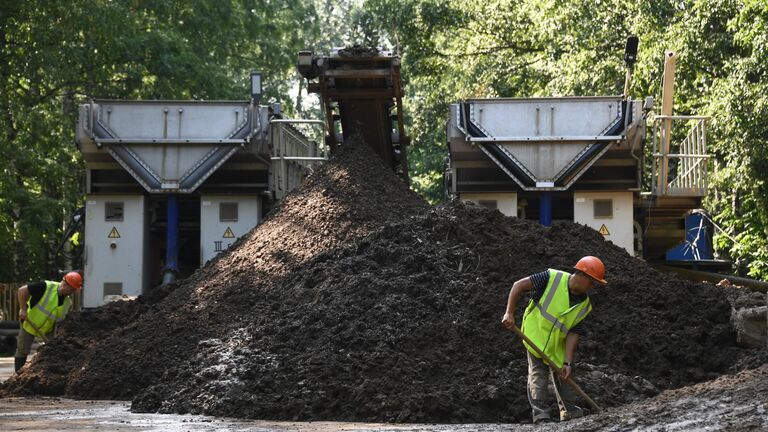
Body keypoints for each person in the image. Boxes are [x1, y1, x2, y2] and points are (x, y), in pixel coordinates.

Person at [501, 256, 607, 424]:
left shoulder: (584, 304)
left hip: (557, 343)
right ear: (581, 275)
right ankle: (541, 415)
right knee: (538, 375)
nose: (593, 288)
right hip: (534, 335)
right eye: (592, 283)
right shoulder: (551, 277)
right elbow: (518, 285)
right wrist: (509, 313)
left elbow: (574, 332)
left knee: (565, 377)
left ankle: (569, 412)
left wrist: (568, 363)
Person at [14, 272, 82, 373]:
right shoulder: (46, 286)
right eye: (71, 289)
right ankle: (18, 374)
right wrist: (23, 309)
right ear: (64, 283)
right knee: (22, 350)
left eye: (73, 290)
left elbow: (59, 322)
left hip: (48, 329)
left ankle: (48, 374)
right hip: (29, 323)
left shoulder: (67, 303)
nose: (71, 292)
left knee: (52, 351)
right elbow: (22, 290)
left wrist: (54, 339)